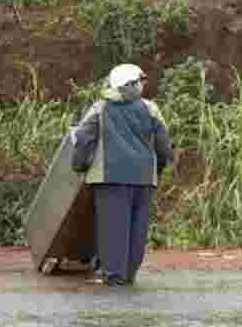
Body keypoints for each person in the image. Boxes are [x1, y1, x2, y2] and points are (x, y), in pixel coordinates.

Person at [72, 63, 173, 286]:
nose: (142, 85)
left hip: (110, 178)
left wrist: (79, 166)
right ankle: (128, 275)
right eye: (140, 81)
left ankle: (114, 276)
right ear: (132, 85)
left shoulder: (100, 109)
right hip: (145, 180)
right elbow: (164, 146)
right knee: (137, 229)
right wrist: (157, 170)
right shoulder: (150, 109)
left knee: (113, 228)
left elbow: (82, 140)